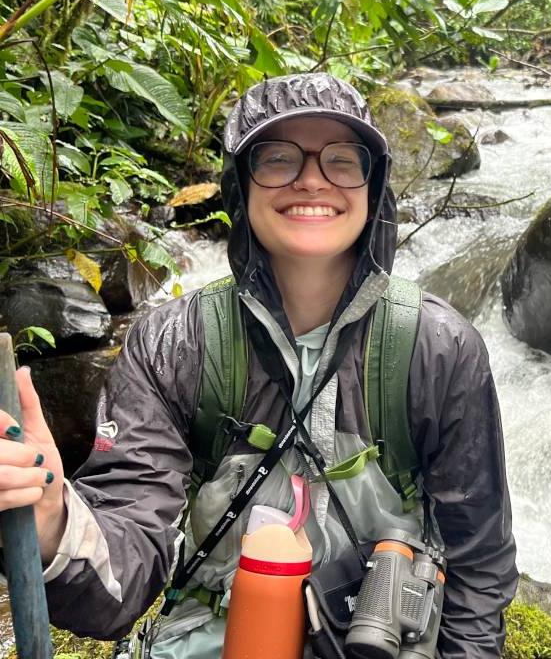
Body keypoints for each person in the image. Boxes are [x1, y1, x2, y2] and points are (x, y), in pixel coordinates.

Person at [0, 73, 518, 658]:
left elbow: (479, 566)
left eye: (343, 161)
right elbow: (126, 563)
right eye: (278, 158)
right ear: (239, 186)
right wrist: (50, 519)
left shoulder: (438, 346)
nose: (313, 181)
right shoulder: (174, 343)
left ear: (374, 188)